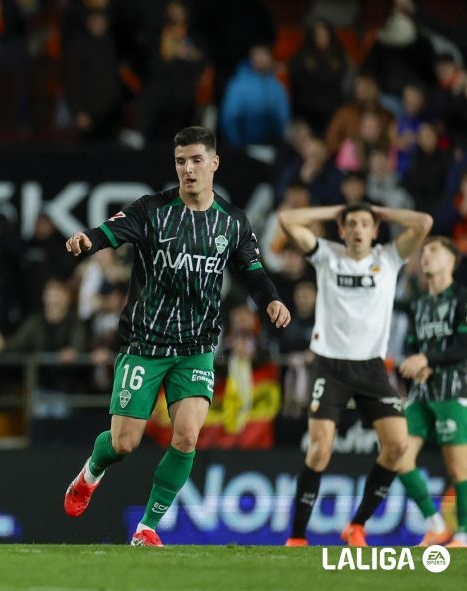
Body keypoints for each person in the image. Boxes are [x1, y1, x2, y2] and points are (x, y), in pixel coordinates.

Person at [62, 126, 291, 546]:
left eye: (196, 160)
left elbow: (254, 272)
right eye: (181, 161)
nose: (188, 169)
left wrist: (272, 301)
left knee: (186, 435)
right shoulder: (152, 210)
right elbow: (110, 232)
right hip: (145, 344)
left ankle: (147, 527)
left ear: (214, 164)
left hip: (196, 347)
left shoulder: (232, 223)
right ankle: (91, 471)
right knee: (124, 442)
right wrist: (86, 242)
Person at [279, 202, 433, 547]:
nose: (359, 229)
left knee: (397, 446)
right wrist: (336, 210)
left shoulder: (389, 258)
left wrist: (382, 211)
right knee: (319, 450)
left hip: (371, 368)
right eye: (352, 224)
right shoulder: (327, 255)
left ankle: (356, 525)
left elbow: (424, 222)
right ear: (343, 230)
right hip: (329, 364)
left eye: (366, 224)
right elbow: (287, 218)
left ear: (375, 231)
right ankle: (297, 538)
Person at [397, 236, 467, 548]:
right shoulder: (419, 304)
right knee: (398, 455)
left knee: (458, 467)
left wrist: (429, 360)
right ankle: (435, 524)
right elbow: (413, 345)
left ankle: (464, 534)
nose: (425, 255)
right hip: (422, 393)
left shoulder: (462, 299)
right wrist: (418, 363)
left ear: (451, 260)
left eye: (433, 250)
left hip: (454, 390)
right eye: (423, 251)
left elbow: (463, 346)